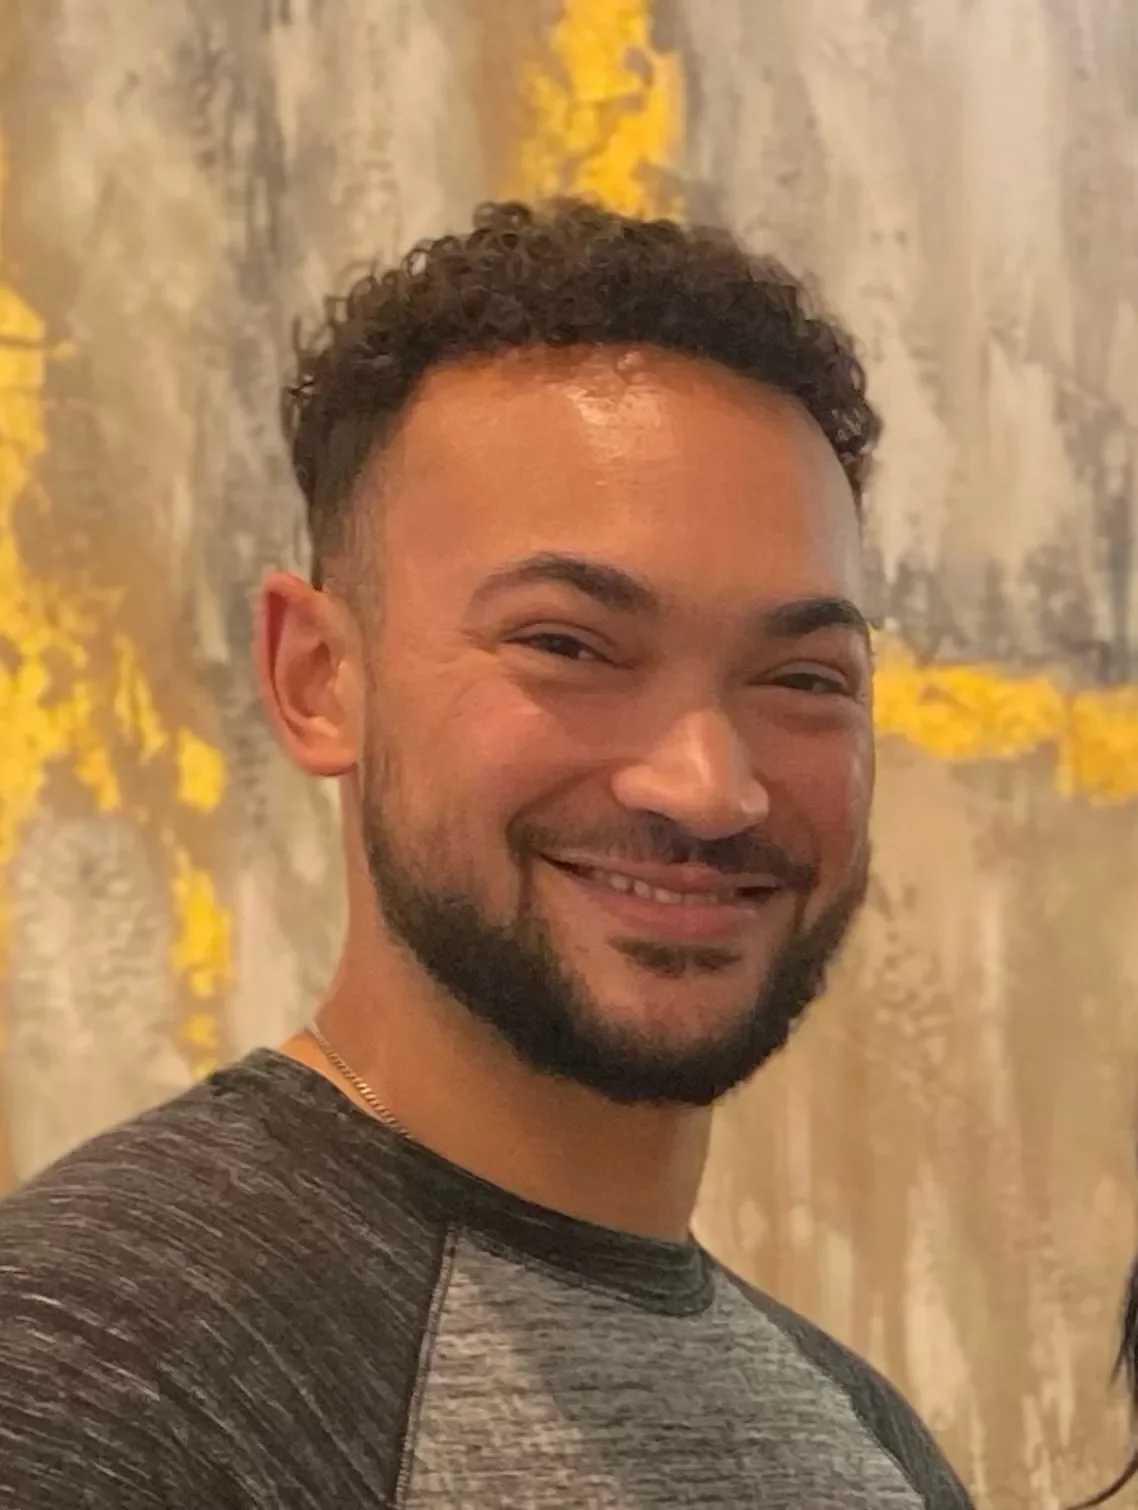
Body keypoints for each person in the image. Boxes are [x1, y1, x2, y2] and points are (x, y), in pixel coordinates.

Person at [0, 199, 973, 1508]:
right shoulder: (86, 1381)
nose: (708, 784)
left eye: (801, 675)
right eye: (568, 645)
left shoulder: (870, 1444)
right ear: (317, 678)